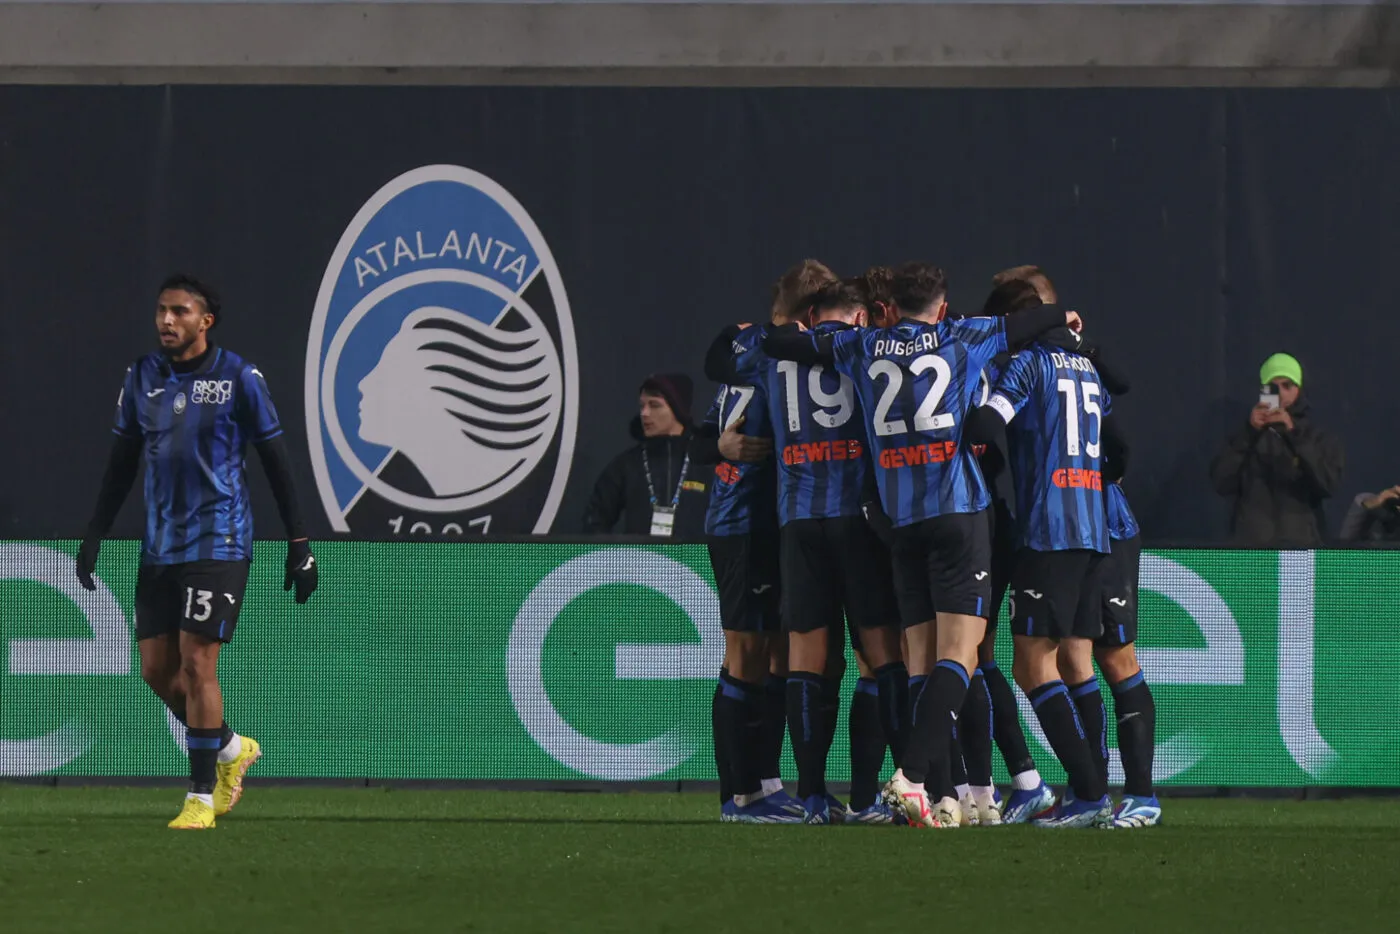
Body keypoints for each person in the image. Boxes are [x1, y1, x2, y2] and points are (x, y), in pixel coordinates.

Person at [763, 262, 1078, 829]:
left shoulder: (860, 344)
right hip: (958, 515)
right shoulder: (962, 336)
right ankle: (912, 779)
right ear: (939, 306)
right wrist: (1063, 317)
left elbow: (786, 339)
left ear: (887, 306)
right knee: (961, 655)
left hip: (899, 523)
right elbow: (1032, 323)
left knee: (916, 663)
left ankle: (945, 794)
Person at [76, 274, 318, 830]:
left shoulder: (239, 377)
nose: (166, 321)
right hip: (160, 545)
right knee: (156, 672)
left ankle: (202, 796)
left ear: (205, 321)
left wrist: (299, 543)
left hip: (221, 540)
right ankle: (232, 749)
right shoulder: (141, 376)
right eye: (162, 310)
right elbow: (121, 463)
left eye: (180, 312)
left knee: (197, 660)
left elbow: (277, 463)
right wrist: (95, 532)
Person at [711, 281, 908, 825]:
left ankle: (814, 796)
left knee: (804, 658)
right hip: (857, 519)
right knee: (882, 655)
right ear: (861, 315)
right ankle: (906, 786)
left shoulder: (771, 356)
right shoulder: (866, 349)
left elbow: (721, 365)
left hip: (798, 522)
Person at [965, 291, 1118, 828]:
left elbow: (987, 424)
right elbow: (1116, 445)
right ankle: (1088, 790)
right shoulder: (1089, 370)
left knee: (1032, 664)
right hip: (1092, 531)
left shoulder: (1028, 365)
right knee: (1069, 659)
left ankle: (1090, 792)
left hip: (1047, 530)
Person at [704, 259, 838, 824]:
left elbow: (718, 359)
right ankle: (739, 796)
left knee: (778, 651)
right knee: (746, 654)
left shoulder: (745, 347)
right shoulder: (778, 351)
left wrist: (716, 442)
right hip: (744, 523)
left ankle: (764, 781)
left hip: (763, 518)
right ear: (809, 315)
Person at [1210, 353, 1344, 546]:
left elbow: (1327, 484)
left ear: (1299, 390)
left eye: (1287, 386)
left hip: (1300, 550)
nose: (1280, 393)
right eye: (1273, 386)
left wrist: (1293, 435)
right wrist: (1249, 433)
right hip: (1251, 550)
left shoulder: (1318, 439)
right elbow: (1221, 482)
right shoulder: (1243, 437)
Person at [581, 374, 710, 537]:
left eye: (654, 405)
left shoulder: (708, 462)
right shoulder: (627, 465)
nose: (645, 413)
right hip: (641, 561)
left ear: (678, 410)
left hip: (697, 561)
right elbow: (594, 523)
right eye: (642, 406)